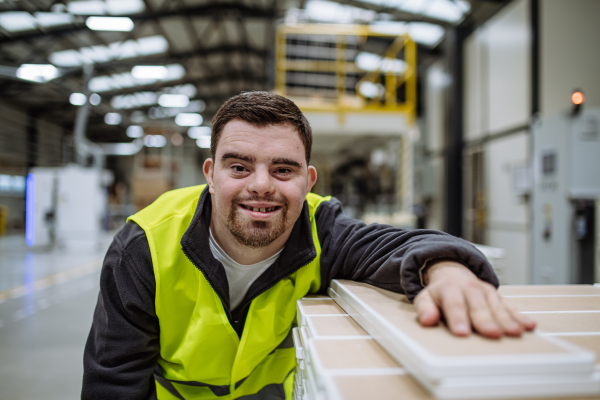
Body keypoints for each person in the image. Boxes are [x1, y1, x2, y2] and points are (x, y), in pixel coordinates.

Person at [82, 92, 535, 400]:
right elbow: (113, 382)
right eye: (239, 167)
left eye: (283, 170)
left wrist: (447, 270)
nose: (261, 186)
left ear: (308, 180)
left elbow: (403, 244)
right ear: (209, 174)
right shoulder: (144, 247)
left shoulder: (321, 230)